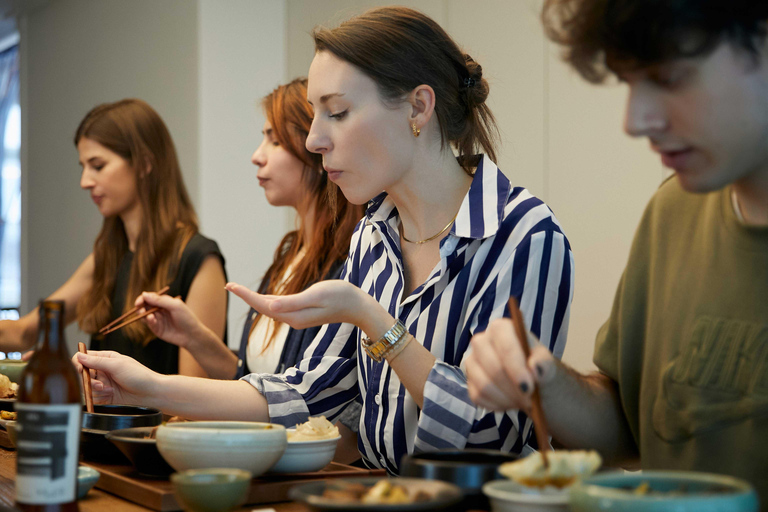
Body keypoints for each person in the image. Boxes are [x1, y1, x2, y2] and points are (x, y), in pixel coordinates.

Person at [74, 6, 574, 473]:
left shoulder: (523, 234)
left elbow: (490, 435)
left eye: (336, 113)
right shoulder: (374, 235)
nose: (314, 140)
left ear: (419, 108)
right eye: (315, 115)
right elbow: (308, 392)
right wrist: (151, 387)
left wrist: (374, 320)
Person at [465, 0, 768, 504]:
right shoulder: (673, 214)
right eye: (628, 82)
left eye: (667, 77)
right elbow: (629, 427)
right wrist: (544, 379)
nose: (635, 120)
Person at [133, 79, 363, 381]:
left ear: (317, 148)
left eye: (275, 141)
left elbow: (305, 401)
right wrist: (193, 337)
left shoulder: (349, 263)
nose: (257, 155)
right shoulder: (291, 254)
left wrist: (151, 386)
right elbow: (254, 382)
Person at [0, 99, 228, 377]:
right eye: (84, 166)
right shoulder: (108, 256)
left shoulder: (199, 260)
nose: (85, 181)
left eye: (97, 165)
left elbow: (192, 404)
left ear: (144, 163)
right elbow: (24, 332)